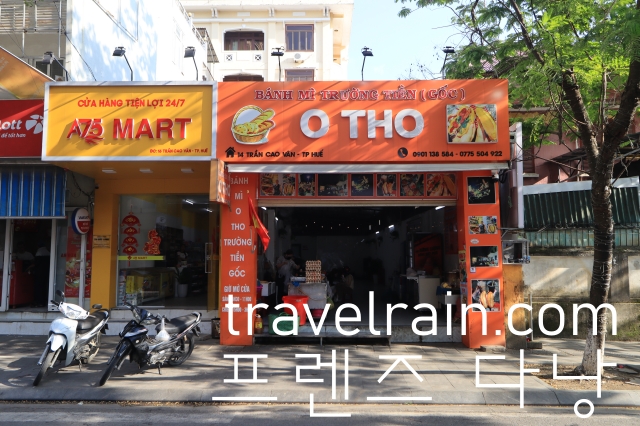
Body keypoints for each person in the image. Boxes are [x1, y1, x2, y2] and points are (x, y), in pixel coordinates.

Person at [34, 241, 50, 307]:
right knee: (45, 286)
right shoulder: (47, 252)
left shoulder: (39, 252)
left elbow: (36, 263)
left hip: (39, 273)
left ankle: (40, 302)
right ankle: (44, 301)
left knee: (39, 287)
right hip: (47, 272)